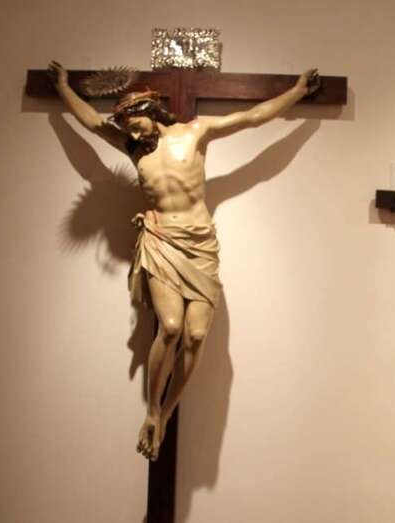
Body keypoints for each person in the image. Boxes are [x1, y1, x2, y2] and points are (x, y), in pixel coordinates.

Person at [48, 61, 320, 460]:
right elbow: (91, 122)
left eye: (134, 124)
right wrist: (62, 89)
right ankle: (152, 411)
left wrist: (296, 92)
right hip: (160, 240)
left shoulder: (196, 132)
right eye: (126, 129)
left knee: (195, 335)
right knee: (171, 327)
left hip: (199, 243)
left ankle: (165, 413)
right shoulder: (133, 147)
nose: (131, 133)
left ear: (149, 110)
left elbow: (253, 117)